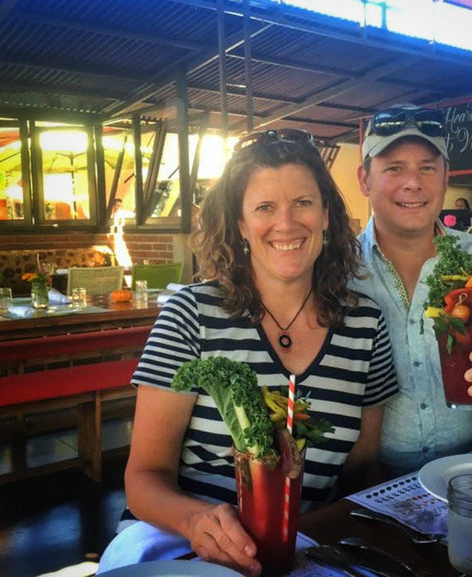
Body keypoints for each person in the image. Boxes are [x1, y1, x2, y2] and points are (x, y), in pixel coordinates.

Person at [97, 129, 397, 575]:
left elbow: (362, 466)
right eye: (264, 207)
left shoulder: (365, 324)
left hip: (304, 547)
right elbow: (143, 478)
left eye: (303, 203)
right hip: (179, 545)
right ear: (240, 225)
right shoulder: (191, 313)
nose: (287, 223)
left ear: (327, 215)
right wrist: (196, 520)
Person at [353, 104, 472, 479]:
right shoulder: (334, 271)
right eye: (394, 168)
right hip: (366, 479)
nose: (413, 183)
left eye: (426, 167)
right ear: (365, 179)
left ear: (444, 176)